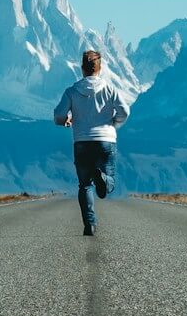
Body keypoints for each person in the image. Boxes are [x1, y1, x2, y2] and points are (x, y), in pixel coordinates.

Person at [53, 48, 130, 236]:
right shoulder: (110, 89)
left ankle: (90, 224)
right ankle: (103, 178)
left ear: (82, 68)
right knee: (108, 186)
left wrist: (67, 121)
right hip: (106, 140)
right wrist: (114, 123)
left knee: (85, 185)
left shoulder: (71, 91)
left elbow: (58, 115)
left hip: (82, 142)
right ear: (100, 67)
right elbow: (124, 112)